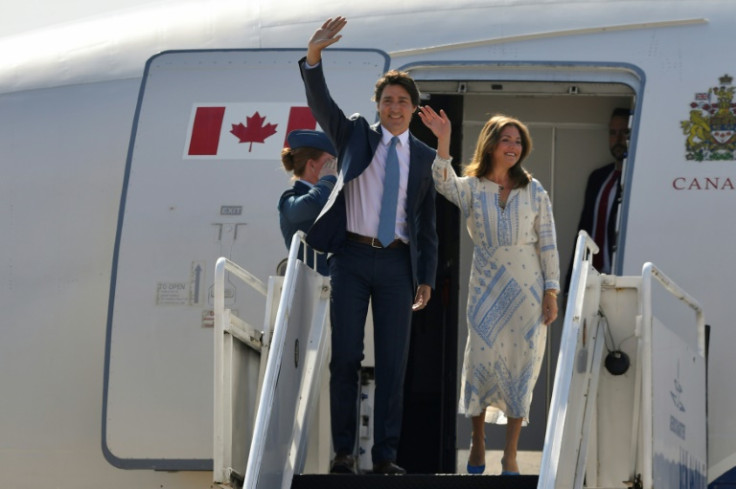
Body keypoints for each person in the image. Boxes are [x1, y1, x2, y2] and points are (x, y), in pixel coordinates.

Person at [300, 17, 438, 475]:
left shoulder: (424, 157)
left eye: (402, 101)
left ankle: (385, 456)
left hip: (399, 264)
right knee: (346, 358)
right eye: (387, 100)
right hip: (354, 259)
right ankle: (343, 452)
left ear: (413, 109)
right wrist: (314, 59)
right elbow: (323, 107)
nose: (394, 107)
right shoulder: (357, 134)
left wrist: (427, 278)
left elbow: (427, 223)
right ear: (377, 105)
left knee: (394, 364)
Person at [418, 106, 560, 475]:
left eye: (517, 141)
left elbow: (548, 242)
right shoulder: (472, 188)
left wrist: (551, 291)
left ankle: (510, 453)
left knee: (522, 365)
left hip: (528, 289)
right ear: (491, 145)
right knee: (480, 361)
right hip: (486, 286)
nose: (512, 146)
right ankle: (478, 440)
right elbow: (442, 180)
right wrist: (444, 138)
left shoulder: (534, 189)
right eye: (505, 139)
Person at [568, 107, 630, 284]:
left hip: (621, 278)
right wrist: (570, 284)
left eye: (625, 132)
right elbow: (583, 231)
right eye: (613, 133)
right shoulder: (598, 178)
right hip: (591, 277)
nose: (618, 139)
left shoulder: (638, 179)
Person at [277, 129, 338, 275]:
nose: (335, 167)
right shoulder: (289, 199)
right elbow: (314, 204)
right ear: (311, 165)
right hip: (311, 288)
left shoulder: (332, 196)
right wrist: (327, 179)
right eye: (330, 162)